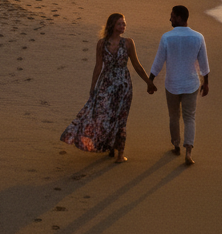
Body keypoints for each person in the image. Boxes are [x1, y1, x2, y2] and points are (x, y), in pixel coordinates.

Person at [61, 12, 156, 162]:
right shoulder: (101, 44)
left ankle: (119, 154)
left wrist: (148, 82)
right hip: (105, 84)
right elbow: (98, 66)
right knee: (104, 116)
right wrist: (93, 87)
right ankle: (109, 146)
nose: (123, 26)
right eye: (120, 23)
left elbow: (137, 65)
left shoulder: (128, 43)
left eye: (124, 23)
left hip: (123, 86)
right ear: (112, 25)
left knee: (120, 117)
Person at [148, 5, 209, 165]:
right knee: (190, 117)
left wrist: (150, 80)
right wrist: (206, 83)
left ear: (180, 18)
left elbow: (158, 62)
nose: (170, 19)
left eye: (172, 16)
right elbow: (204, 64)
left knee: (174, 116)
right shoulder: (198, 37)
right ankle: (188, 152)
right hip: (191, 84)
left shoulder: (167, 37)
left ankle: (176, 145)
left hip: (172, 84)